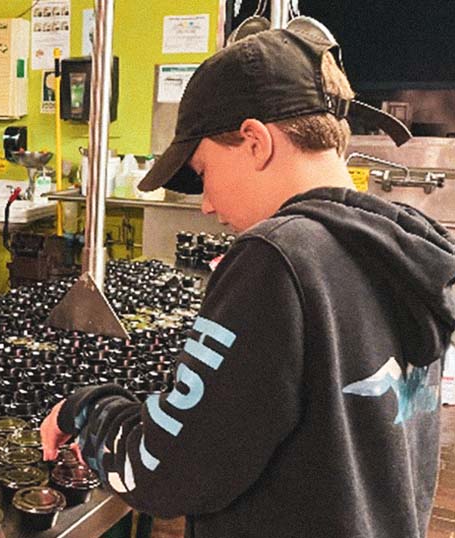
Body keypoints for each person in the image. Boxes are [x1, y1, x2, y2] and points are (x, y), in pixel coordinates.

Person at [41, 28, 455, 537]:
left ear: (256, 142)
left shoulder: (276, 258)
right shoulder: (405, 249)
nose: (208, 205)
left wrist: (87, 408)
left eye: (204, 171)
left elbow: (167, 474)